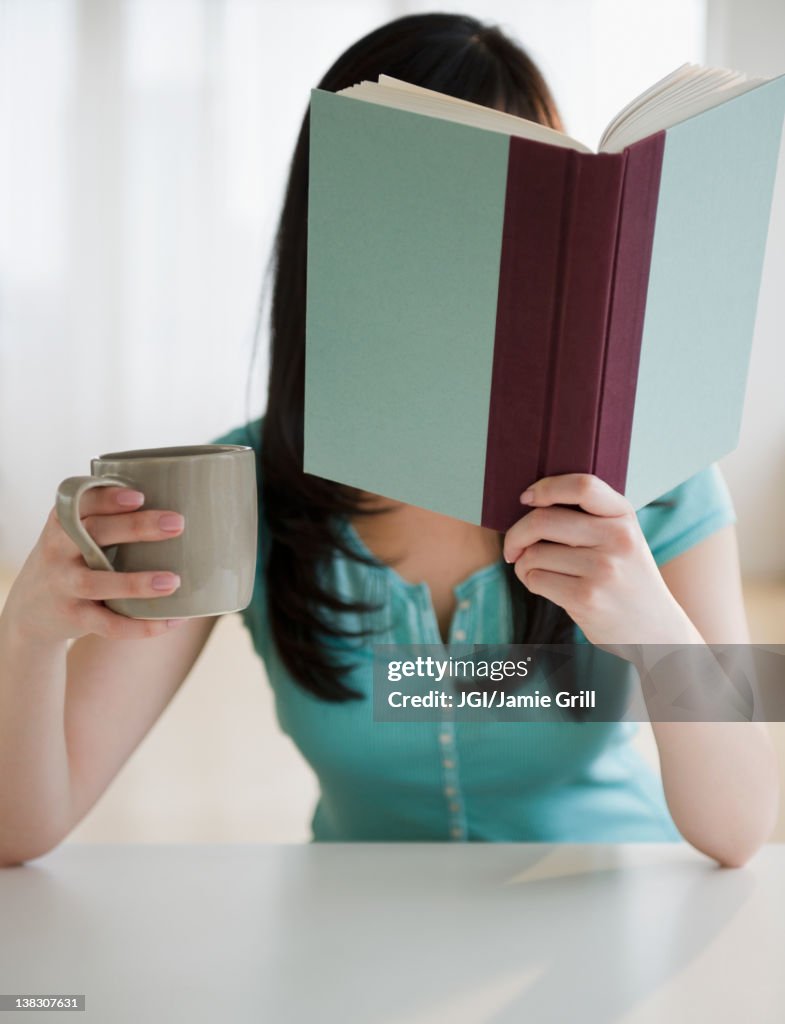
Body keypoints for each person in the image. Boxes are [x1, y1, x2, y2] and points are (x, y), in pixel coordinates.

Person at [0, 13, 777, 867]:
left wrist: (651, 628)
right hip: (353, 948)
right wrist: (27, 637)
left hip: (604, 931)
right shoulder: (244, 489)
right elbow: (23, 831)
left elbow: (739, 833)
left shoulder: (657, 482)